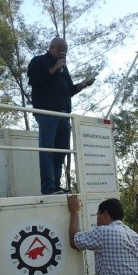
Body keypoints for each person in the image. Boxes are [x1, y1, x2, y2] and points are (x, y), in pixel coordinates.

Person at [27, 37, 93, 195]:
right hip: (47, 113)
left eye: (66, 51)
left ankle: (56, 186)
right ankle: (48, 188)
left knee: (61, 151)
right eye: (62, 51)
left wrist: (83, 84)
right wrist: (54, 68)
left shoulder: (65, 68)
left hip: (64, 114)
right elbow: (34, 80)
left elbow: (69, 90)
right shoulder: (39, 61)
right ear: (52, 48)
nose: (64, 54)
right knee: (47, 150)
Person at [67, 195, 138, 275]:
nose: (97, 219)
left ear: (105, 214)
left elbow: (74, 240)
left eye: (98, 214)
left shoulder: (103, 232)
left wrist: (75, 212)